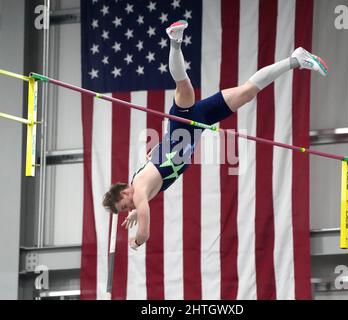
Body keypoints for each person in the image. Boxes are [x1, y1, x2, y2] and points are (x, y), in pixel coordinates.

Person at [102, 20, 328, 250]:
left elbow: (146, 232)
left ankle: (175, 41)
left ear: (124, 191)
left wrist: (137, 240)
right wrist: (135, 212)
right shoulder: (139, 187)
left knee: (184, 87)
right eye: (124, 210)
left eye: (123, 205)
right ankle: (295, 60)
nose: (127, 208)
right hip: (198, 124)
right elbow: (154, 165)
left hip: (184, 126)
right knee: (247, 93)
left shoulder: (138, 190)